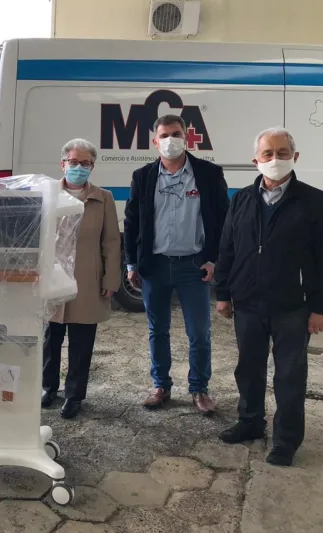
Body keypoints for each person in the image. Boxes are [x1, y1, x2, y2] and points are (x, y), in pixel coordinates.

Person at [215, 128, 323, 466]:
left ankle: (286, 441)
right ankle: (250, 422)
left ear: (295, 157)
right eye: (268, 154)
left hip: (293, 307)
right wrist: (223, 293)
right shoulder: (241, 199)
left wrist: (320, 308)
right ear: (255, 160)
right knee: (249, 369)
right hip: (248, 304)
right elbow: (227, 249)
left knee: (289, 375)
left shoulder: (316, 202)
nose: (275, 160)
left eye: (283, 153)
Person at [124, 114, 229, 414]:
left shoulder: (208, 174)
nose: (171, 140)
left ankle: (199, 388)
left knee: (199, 332)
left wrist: (213, 260)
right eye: (164, 135)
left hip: (193, 267)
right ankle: (161, 386)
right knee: (158, 330)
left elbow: (223, 221)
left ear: (187, 137)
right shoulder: (142, 177)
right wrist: (131, 264)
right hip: (154, 266)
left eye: (176, 133)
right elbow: (132, 223)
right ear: (155, 142)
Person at [42, 139, 122, 419]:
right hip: (52, 279)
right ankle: (47, 387)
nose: (78, 167)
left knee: (81, 342)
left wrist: (111, 278)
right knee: (49, 339)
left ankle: (74, 395)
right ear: (63, 163)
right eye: (73, 162)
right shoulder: (47, 193)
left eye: (85, 163)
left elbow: (111, 241)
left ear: (92, 166)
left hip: (86, 280)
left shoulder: (103, 198)